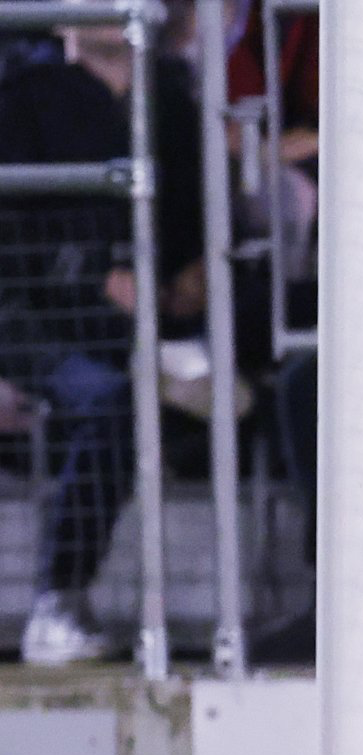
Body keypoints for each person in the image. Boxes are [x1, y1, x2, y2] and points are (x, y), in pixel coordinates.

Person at [0, 12, 205, 664]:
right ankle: (57, 601)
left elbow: (197, 219)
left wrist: (192, 273)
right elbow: (12, 245)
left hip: (149, 324)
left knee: (264, 360)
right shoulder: (22, 99)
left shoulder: (171, 99)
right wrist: (96, 276)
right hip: (29, 321)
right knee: (111, 400)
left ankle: (307, 602)